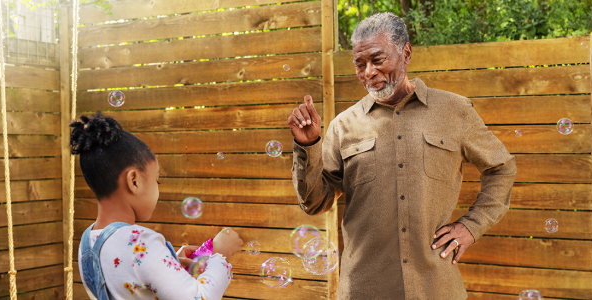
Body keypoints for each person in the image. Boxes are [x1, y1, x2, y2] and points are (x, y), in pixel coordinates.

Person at [287, 13, 517, 299]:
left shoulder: (455, 111)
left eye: (377, 59)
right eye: (360, 64)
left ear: (405, 53)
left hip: (437, 289)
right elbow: (314, 202)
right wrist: (307, 146)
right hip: (364, 290)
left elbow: (502, 168)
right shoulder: (343, 126)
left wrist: (472, 226)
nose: (368, 72)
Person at [73, 112, 244, 300]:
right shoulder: (141, 243)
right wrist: (222, 253)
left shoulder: (87, 242)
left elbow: (127, 278)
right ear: (134, 181)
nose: (158, 189)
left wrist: (169, 262)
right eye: (157, 181)